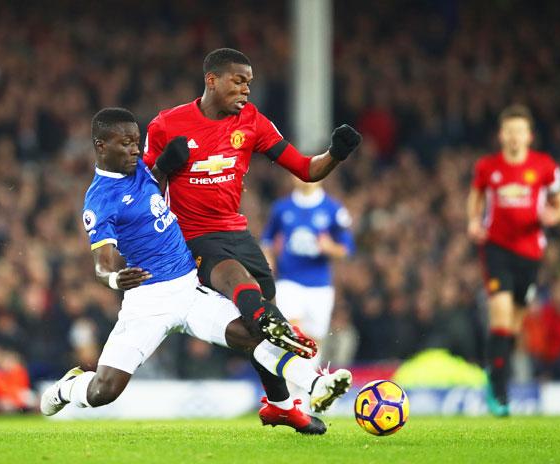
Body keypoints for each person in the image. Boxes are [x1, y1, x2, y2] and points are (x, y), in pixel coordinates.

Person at [40, 108, 352, 434]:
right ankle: (67, 388)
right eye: (125, 144)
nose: (135, 149)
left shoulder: (142, 169)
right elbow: (102, 263)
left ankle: (316, 384)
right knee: (104, 392)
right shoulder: (100, 200)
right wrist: (115, 278)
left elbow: (154, 183)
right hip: (148, 302)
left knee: (253, 331)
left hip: (189, 289)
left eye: (136, 141)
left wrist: (165, 165)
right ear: (101, 146)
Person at [142, 48, 360, 415]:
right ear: (212, 80)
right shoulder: (166, 125)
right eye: (239, 81)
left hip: (237, 233)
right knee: (242, 288)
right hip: (190, 236)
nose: (246, 90)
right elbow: (141, 191)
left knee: (262, 321)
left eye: (249, 83)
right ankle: (312, 380)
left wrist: (335, 154)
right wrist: (164, 167)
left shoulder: (253, 122)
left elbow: (306, 170)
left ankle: (280, 404)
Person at [467, 104, 560, 416]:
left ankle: (493, 372)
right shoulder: (488, 167)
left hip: (530, 254)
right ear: (502, 135)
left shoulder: (544, 167)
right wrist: (473, 221)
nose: (514, 137)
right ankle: (498, 392)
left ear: (529, 136)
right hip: (497, 249)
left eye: (519, 131)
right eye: (509, 131)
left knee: (512, 327)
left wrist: (555, 214)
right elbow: (475, 197)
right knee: (499, 317)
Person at [261, 178, 355, 350]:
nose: (305, 177)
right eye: (298, 173)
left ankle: (307, 374)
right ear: (292, 177)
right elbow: (267, 239)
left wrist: (330, 248)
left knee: (314, 340)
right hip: (289, 280)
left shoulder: (333, 209)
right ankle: (289, 373)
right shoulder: (281, 208)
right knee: (291, 330)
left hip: (320, 285)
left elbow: (347, 249)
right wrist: (269, 258)